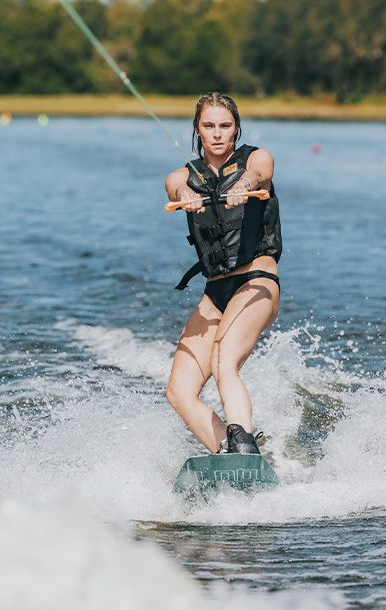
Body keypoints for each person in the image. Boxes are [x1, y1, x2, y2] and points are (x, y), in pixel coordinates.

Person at [164, 92, 282, 455]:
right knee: (179, 391)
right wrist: (188, 194)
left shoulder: (255, 159)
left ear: (236, 129)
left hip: (256, 281)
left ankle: (244, 445)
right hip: (215, 293)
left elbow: (260, 172)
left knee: (222, 360)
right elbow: (174, 186)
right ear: (198, 130)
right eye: (209, 126)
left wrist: (244, 187)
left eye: (225, 126)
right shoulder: (184, 176)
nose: (217, 133)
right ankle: (229, 455)